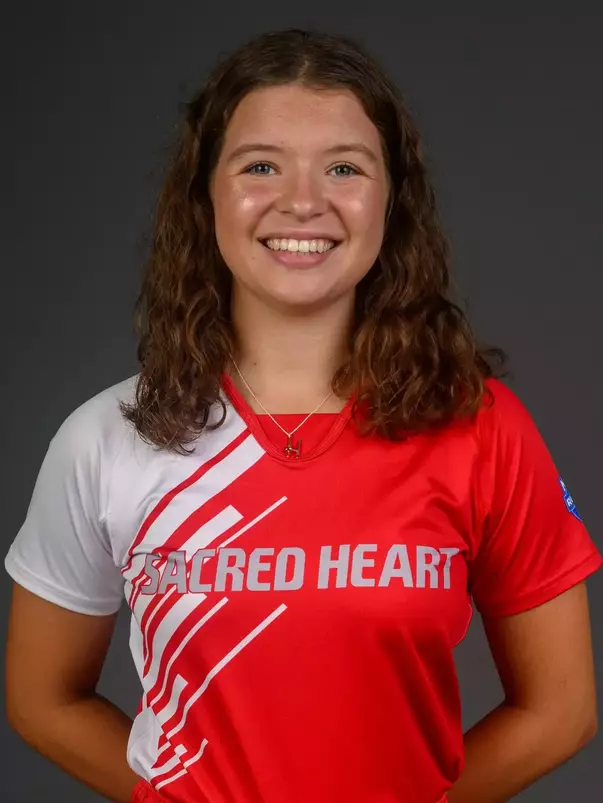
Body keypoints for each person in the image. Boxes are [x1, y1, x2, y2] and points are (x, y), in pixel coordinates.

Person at [4, 27, 601, 803]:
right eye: (259, 166)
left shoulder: (479, 425)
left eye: (344, 168)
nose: (302, 202)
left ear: (392, 199)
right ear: (204, 194)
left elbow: (560, 710)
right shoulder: (107, 436)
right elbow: (41, 697)